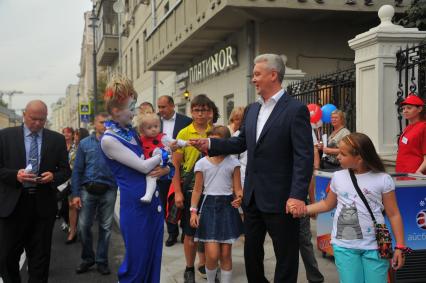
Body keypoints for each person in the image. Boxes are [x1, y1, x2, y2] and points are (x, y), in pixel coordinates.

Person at [191, 54, 314, 283]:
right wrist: (210, 144)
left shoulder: (295, 110)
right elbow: (239, 143)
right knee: (251, 255)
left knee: (285, 256)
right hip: (252, 198)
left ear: (273, 75)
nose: (253, 79)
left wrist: (297, 195)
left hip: (282, 200)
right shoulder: (253, 110)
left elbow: (304, 157)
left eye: (257, 74)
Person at [302, 132, 407, 283]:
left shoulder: (383, 179)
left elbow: (394, 214)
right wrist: (304, 209)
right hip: (344, 247)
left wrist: (400, 247)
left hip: (376, 246)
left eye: (343, 154)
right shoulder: (338, 177)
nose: (338, 157)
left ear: (359, 158)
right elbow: (327, 204)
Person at [100, 75, 169, 282]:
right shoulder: (109, 140)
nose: (135, 112)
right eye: (131, 107)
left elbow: (161, 161)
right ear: (115, 111)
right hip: (137, 207)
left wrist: (166, 170)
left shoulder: (132, 133)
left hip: (153, 204)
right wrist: (160, 157)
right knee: (136, 266)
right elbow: (143, 166)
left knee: (153, 261)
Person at [0, 100, 71, 282]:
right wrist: (15, 175)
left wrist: (53, 177)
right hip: (13, 207)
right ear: (24, 114)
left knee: (39, 259)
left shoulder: (56, 139)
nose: (38, 123)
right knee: (7, 257)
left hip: (42, 207)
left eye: (42, 119)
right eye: (34, 119)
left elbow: (65, 170)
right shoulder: (5, 137)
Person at [190, 126, 243, 283]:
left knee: (226, 254)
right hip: (208, 207)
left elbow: (238, 188)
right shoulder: (201, 164)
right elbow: (197, 190)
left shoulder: (234, 163)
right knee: (212, 255)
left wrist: (239, 197)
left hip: (227, 207)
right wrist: (193, 211)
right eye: (211, 141)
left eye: (218, 141)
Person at [171, 94, 213, 283]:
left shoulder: (216, 131)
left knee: (211, 232)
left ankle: (210, 268)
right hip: (190, 188)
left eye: (204, 109)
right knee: (190, 232)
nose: (200, 113)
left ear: (210, 112)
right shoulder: (183, 134)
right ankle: (189, 268)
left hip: (212, 188)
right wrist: (178, 191)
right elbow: (176, 166)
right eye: (196, 110)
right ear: (191, 111)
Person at [71, 113, 118, 275]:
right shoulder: (84, 144)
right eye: (102, 122)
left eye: (108, 122)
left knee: (105, 227)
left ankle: (102, 261)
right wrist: (75, 194)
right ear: (94, 124)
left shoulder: (115, 142)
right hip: (87, 190)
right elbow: (77, 170)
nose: (105, 125)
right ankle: (87, 258)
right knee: (84, 226)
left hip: (109, 189)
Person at [157, 95, 192, 246]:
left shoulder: (185, 121)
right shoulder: (155, 122)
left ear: (172, 105)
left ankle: (185, 230)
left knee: (182, 199)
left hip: (181, 167)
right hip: (163, 168)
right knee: (166, 200)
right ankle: (172, 233)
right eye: (159, 107)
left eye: (163, 107)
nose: (160, 110)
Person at [136, 112, 187, 203]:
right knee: (150, 177)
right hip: (148, 165)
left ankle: (148, 195)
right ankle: (148, 195)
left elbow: (174, 142)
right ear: (142, 130)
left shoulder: (162, 137)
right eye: (149, 128)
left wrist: (185, 143)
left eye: (156, 126)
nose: (153, 130)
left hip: (161, 164)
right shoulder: (140, 140)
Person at [65, 127, 90, 245]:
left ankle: (83, 231)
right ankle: (73, 231)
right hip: (72, 180)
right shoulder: (72, 148)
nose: (75, 137)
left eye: (77, 135)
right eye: (74, 135)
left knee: (85, 207)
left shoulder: (88, 147)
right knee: (72, 206)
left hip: (85, 181)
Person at [395, 94, 426, 175]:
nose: (405, 111)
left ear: (419, 109)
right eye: (403, 108)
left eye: (409, 108)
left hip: (414, 177)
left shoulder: (424, 127)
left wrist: (418, 172)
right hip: (402, 174)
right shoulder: (408, 127)